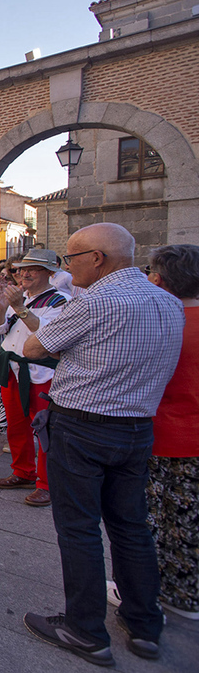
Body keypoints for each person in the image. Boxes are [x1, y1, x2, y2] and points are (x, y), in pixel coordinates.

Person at [23, 223, 183, 667]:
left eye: (72, 257)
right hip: (137, 427)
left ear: (97, 258)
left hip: (84, 426)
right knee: (131, 525)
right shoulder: (168, 302)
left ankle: (85, 629)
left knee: (78, 528)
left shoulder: (94, 302)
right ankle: (144, 623)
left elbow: (36, 347)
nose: (67, 265)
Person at [133, 244, 199, 620]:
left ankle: (147, 592)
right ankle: (187, 593)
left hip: (166, 434)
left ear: (159, 279)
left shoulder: (162, 321)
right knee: (189, 519)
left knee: (152, 517)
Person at [0, 249, 68, 507]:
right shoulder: (20, 299)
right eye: (21, 269)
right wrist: (1, 308)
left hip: (42, 373)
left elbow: (48, 336)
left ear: (50, 272)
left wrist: (20, 308)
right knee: (16, 425)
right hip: (13, 370)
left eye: (32, 269)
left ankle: (46, 483)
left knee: (44, 429)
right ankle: (23, 472)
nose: (24, 274)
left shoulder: (60, 301)